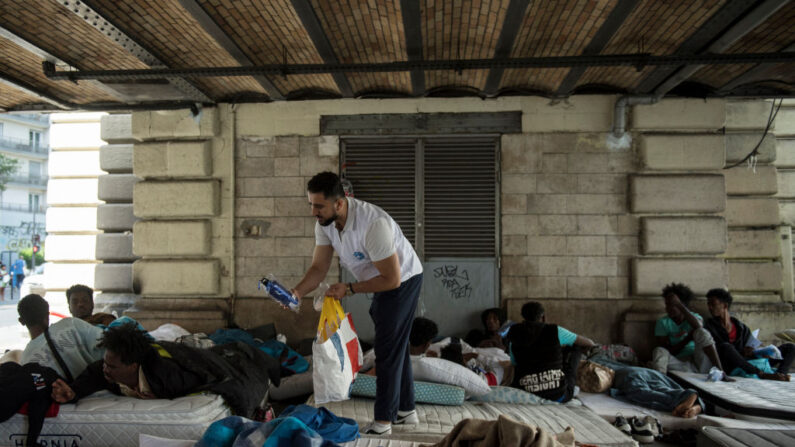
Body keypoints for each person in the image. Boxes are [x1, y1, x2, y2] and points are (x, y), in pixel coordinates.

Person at [290, 171, 423, 435]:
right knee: (394, 343)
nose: (313, 212)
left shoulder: (373, 224)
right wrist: (296, 293)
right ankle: (406, 410)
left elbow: (392, 279)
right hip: (379, 279)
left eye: (319, 206)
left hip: (403, 281)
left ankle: (384, 422)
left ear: (339, 203)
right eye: (311, 205)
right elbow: (319, 267)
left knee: (387, 349)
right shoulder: (325, 224)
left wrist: (349, 288)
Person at [50, 323, 281, 417]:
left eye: (111, 366)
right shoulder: (110, 369)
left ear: (133, 365)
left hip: (211, 357)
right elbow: (92, 374)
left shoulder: (169, 377)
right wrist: (73, 391)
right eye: (105, 363)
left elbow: (211, 375)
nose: (105, 369)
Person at [705, 288, 794, 381]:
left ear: (725, 306)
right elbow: (721, 350)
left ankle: (780, 374)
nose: (710, 308)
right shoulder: (710, 327)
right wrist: (742, 352)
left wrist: (756, 351)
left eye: (713, 304)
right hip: (734, 364)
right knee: (726, 347)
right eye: (708, 304)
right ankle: (762, 374)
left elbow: (751, 344)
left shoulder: (740, 327)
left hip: (750, 361)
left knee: (790, 347)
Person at [506, 302, 585, 402]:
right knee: (576, 347)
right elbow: (588, 343)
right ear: (543, 317)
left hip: (526, 393)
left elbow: (514, 363)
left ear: (523, 317)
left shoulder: (515, 334)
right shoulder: (554, 330)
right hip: (558, 395)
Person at [17, 294, 105, 380]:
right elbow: (105, 341)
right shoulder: (71, 324)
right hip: (102, 389)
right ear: (47, 314)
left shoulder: (26, 360)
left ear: (21, 321)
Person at [592, 355, 703, 418]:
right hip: (647, 372)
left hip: (626, 374)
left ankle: (677, 402)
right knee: (663, 388)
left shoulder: (589, 361)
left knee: (639, 393)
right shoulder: (601, 356)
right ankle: (697, 404)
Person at [651, 283, 723, 374]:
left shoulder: (694, 318)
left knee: (702, 332)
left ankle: (721, 372)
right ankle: (660, 381)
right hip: (680, 364)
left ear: (682, 305)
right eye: (667, 305)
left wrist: (679, 305)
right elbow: (668, 350)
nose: (668, 308)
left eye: (672, 305)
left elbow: (699, 328)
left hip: (700, 362)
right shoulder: (663, 322)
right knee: (659, 350)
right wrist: (688, 338)